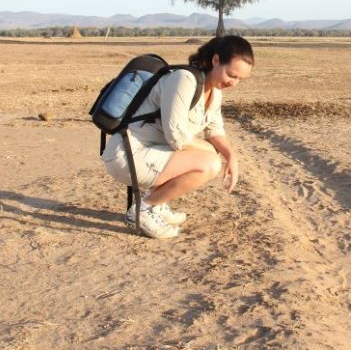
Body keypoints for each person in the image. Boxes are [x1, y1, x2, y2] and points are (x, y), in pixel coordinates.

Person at [101, 35, 254, 239]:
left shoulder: (214, 92)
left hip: (150, 153)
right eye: (231, 75)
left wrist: (231, 156)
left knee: (211, 156)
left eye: (239, 79)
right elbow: (177, 137)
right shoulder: (184, 79)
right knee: (209, 163)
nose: (233, 83)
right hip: (127, 156)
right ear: (216, 60)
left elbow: (215, 131)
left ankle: (156, 203)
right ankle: (144, 209)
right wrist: (213, 151)